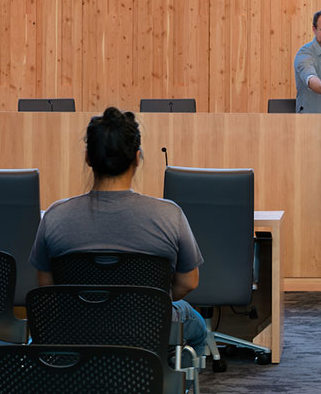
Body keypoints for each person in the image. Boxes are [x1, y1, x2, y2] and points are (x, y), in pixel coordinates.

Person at [29, 107, 210, 354]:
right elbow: (189, 281)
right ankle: (168, 381)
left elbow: (48, 289)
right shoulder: (170, 215)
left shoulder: (54, 216)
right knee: (197, 328)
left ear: (89, 158)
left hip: (76, 329)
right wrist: (150, 301)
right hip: (148, 327)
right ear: (137, 157)